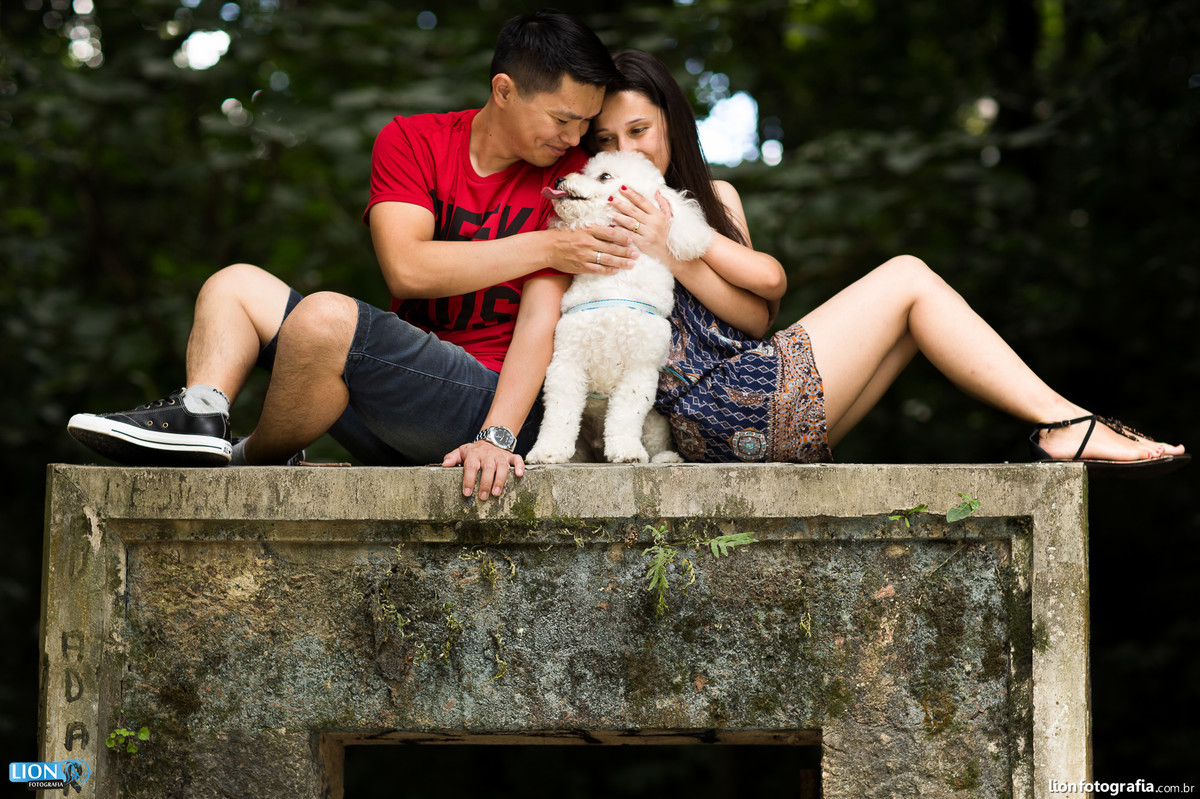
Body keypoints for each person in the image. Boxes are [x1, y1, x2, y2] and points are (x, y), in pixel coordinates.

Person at [66, 10, 634, 500]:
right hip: (395, 395)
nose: (575, 136)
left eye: (587, 122)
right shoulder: (414, 140)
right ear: (504, 89)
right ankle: (200, 416)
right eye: (563, 119)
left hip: (491, 405)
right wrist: (546, 245)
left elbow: (541, 324)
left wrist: (497, 436)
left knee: (327, 319)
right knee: (235, 284)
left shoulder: (574, 181)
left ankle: (246, 458)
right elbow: (407, 269)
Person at [584, 49, 1187, 475]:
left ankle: (1066, 424)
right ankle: (1067, 424)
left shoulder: (715, 202)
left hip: (745, 397)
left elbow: (757, 317)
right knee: (907, 278)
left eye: (639, 130)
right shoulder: (603, 215)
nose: (627, 151)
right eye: (607, 141)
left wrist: (678, 253)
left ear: (672, 123)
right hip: (710, 416)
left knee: (907, 318)